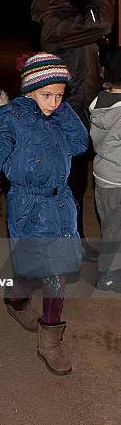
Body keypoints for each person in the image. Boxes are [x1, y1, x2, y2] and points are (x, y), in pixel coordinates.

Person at [0, 53, 89, 375]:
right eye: (47, 95)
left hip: (60, 206)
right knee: (30, 270)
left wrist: (63, 111)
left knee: (56, 275)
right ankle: (17, 300)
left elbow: (80, 144)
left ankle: (50, 341)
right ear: (30, 90)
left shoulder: (58, 113)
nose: (54, 102)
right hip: (30, 207)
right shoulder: (12, 117)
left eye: (60, 95)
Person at [31, 0, 114, 261]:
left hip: (75, 111)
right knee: (64, 185)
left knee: (74, 185)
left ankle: (73, 243)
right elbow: (102, 22)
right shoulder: (59, 19)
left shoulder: (69, 15)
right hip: (63, 114)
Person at [89, 47, 121, 293]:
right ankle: (109, 276)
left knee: (110, 224)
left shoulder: (99, 101)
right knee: (114, 229)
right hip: (118, 180)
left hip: (103, 175)